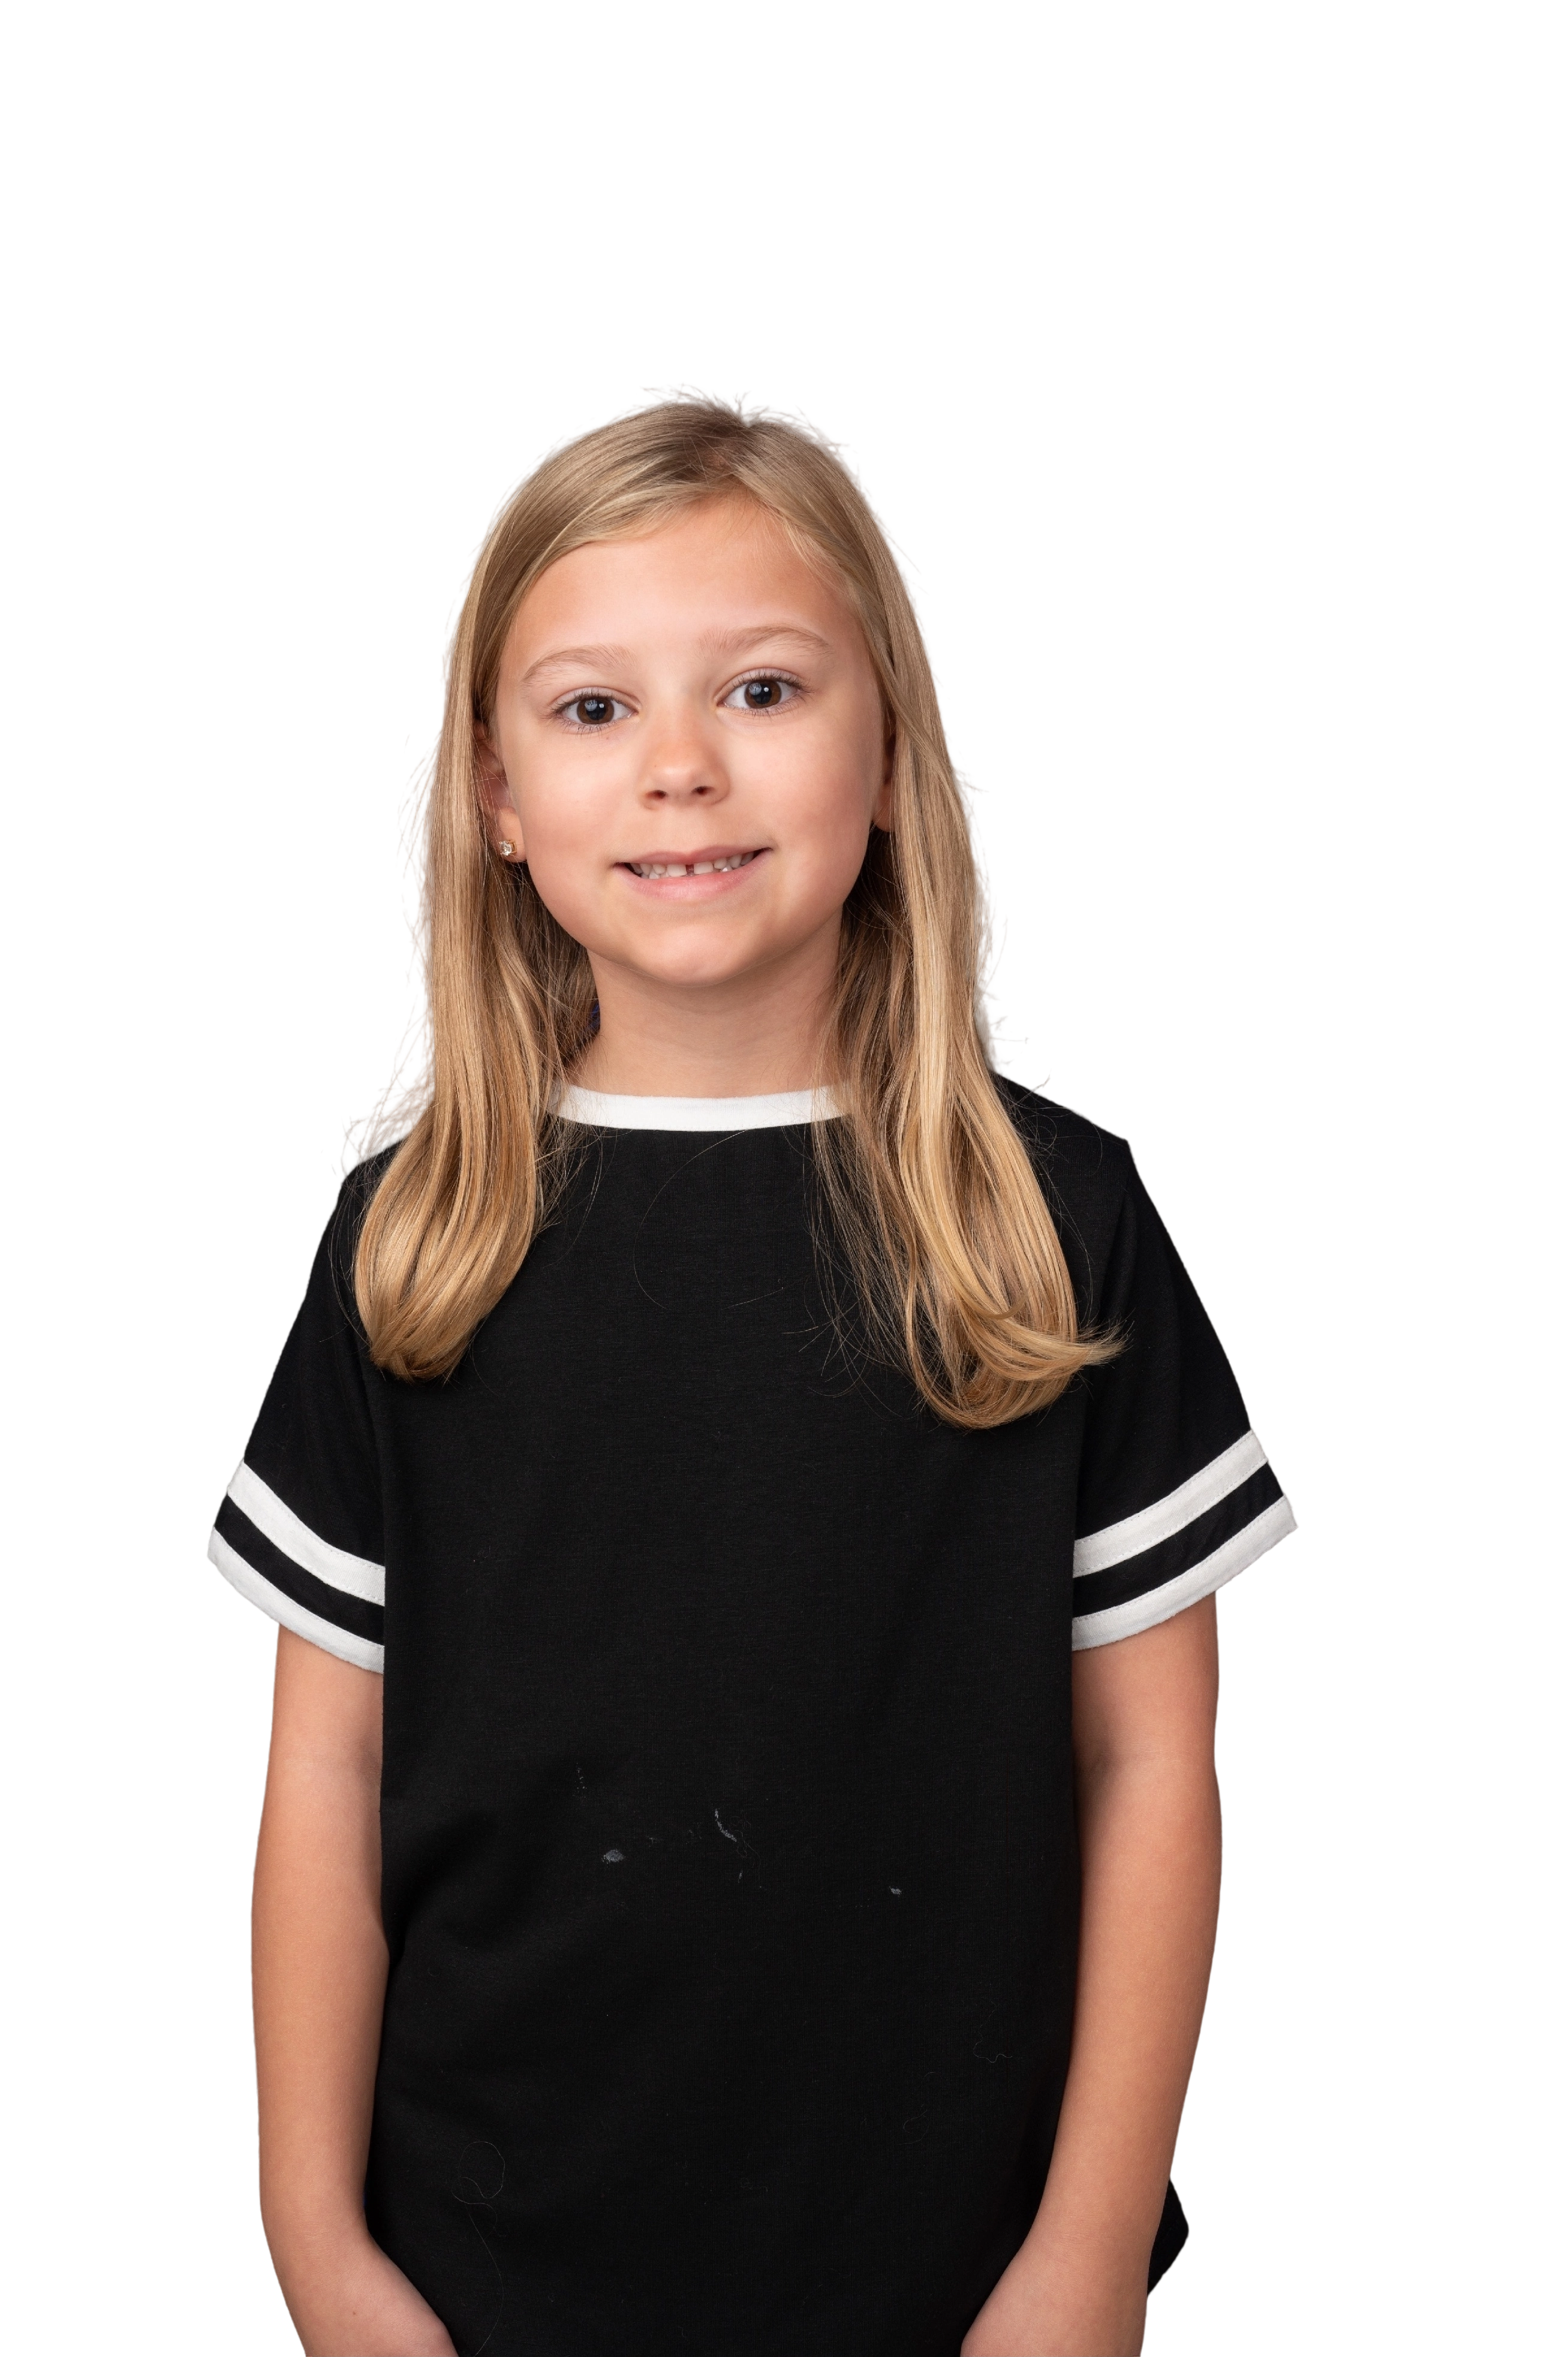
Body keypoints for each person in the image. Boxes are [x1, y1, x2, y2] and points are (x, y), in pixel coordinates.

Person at [203, 383, 1298, 2357]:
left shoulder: (1053, 1222)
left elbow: (1147, 1769)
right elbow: (325, 1774)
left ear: (888, 755)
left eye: (764, 690)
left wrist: (1079, 2259)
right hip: (481, 2269)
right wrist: (316, 2243)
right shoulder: (409, 1243)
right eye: (592, 707)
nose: (680, 770)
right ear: (493, 799)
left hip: (961, 2275)